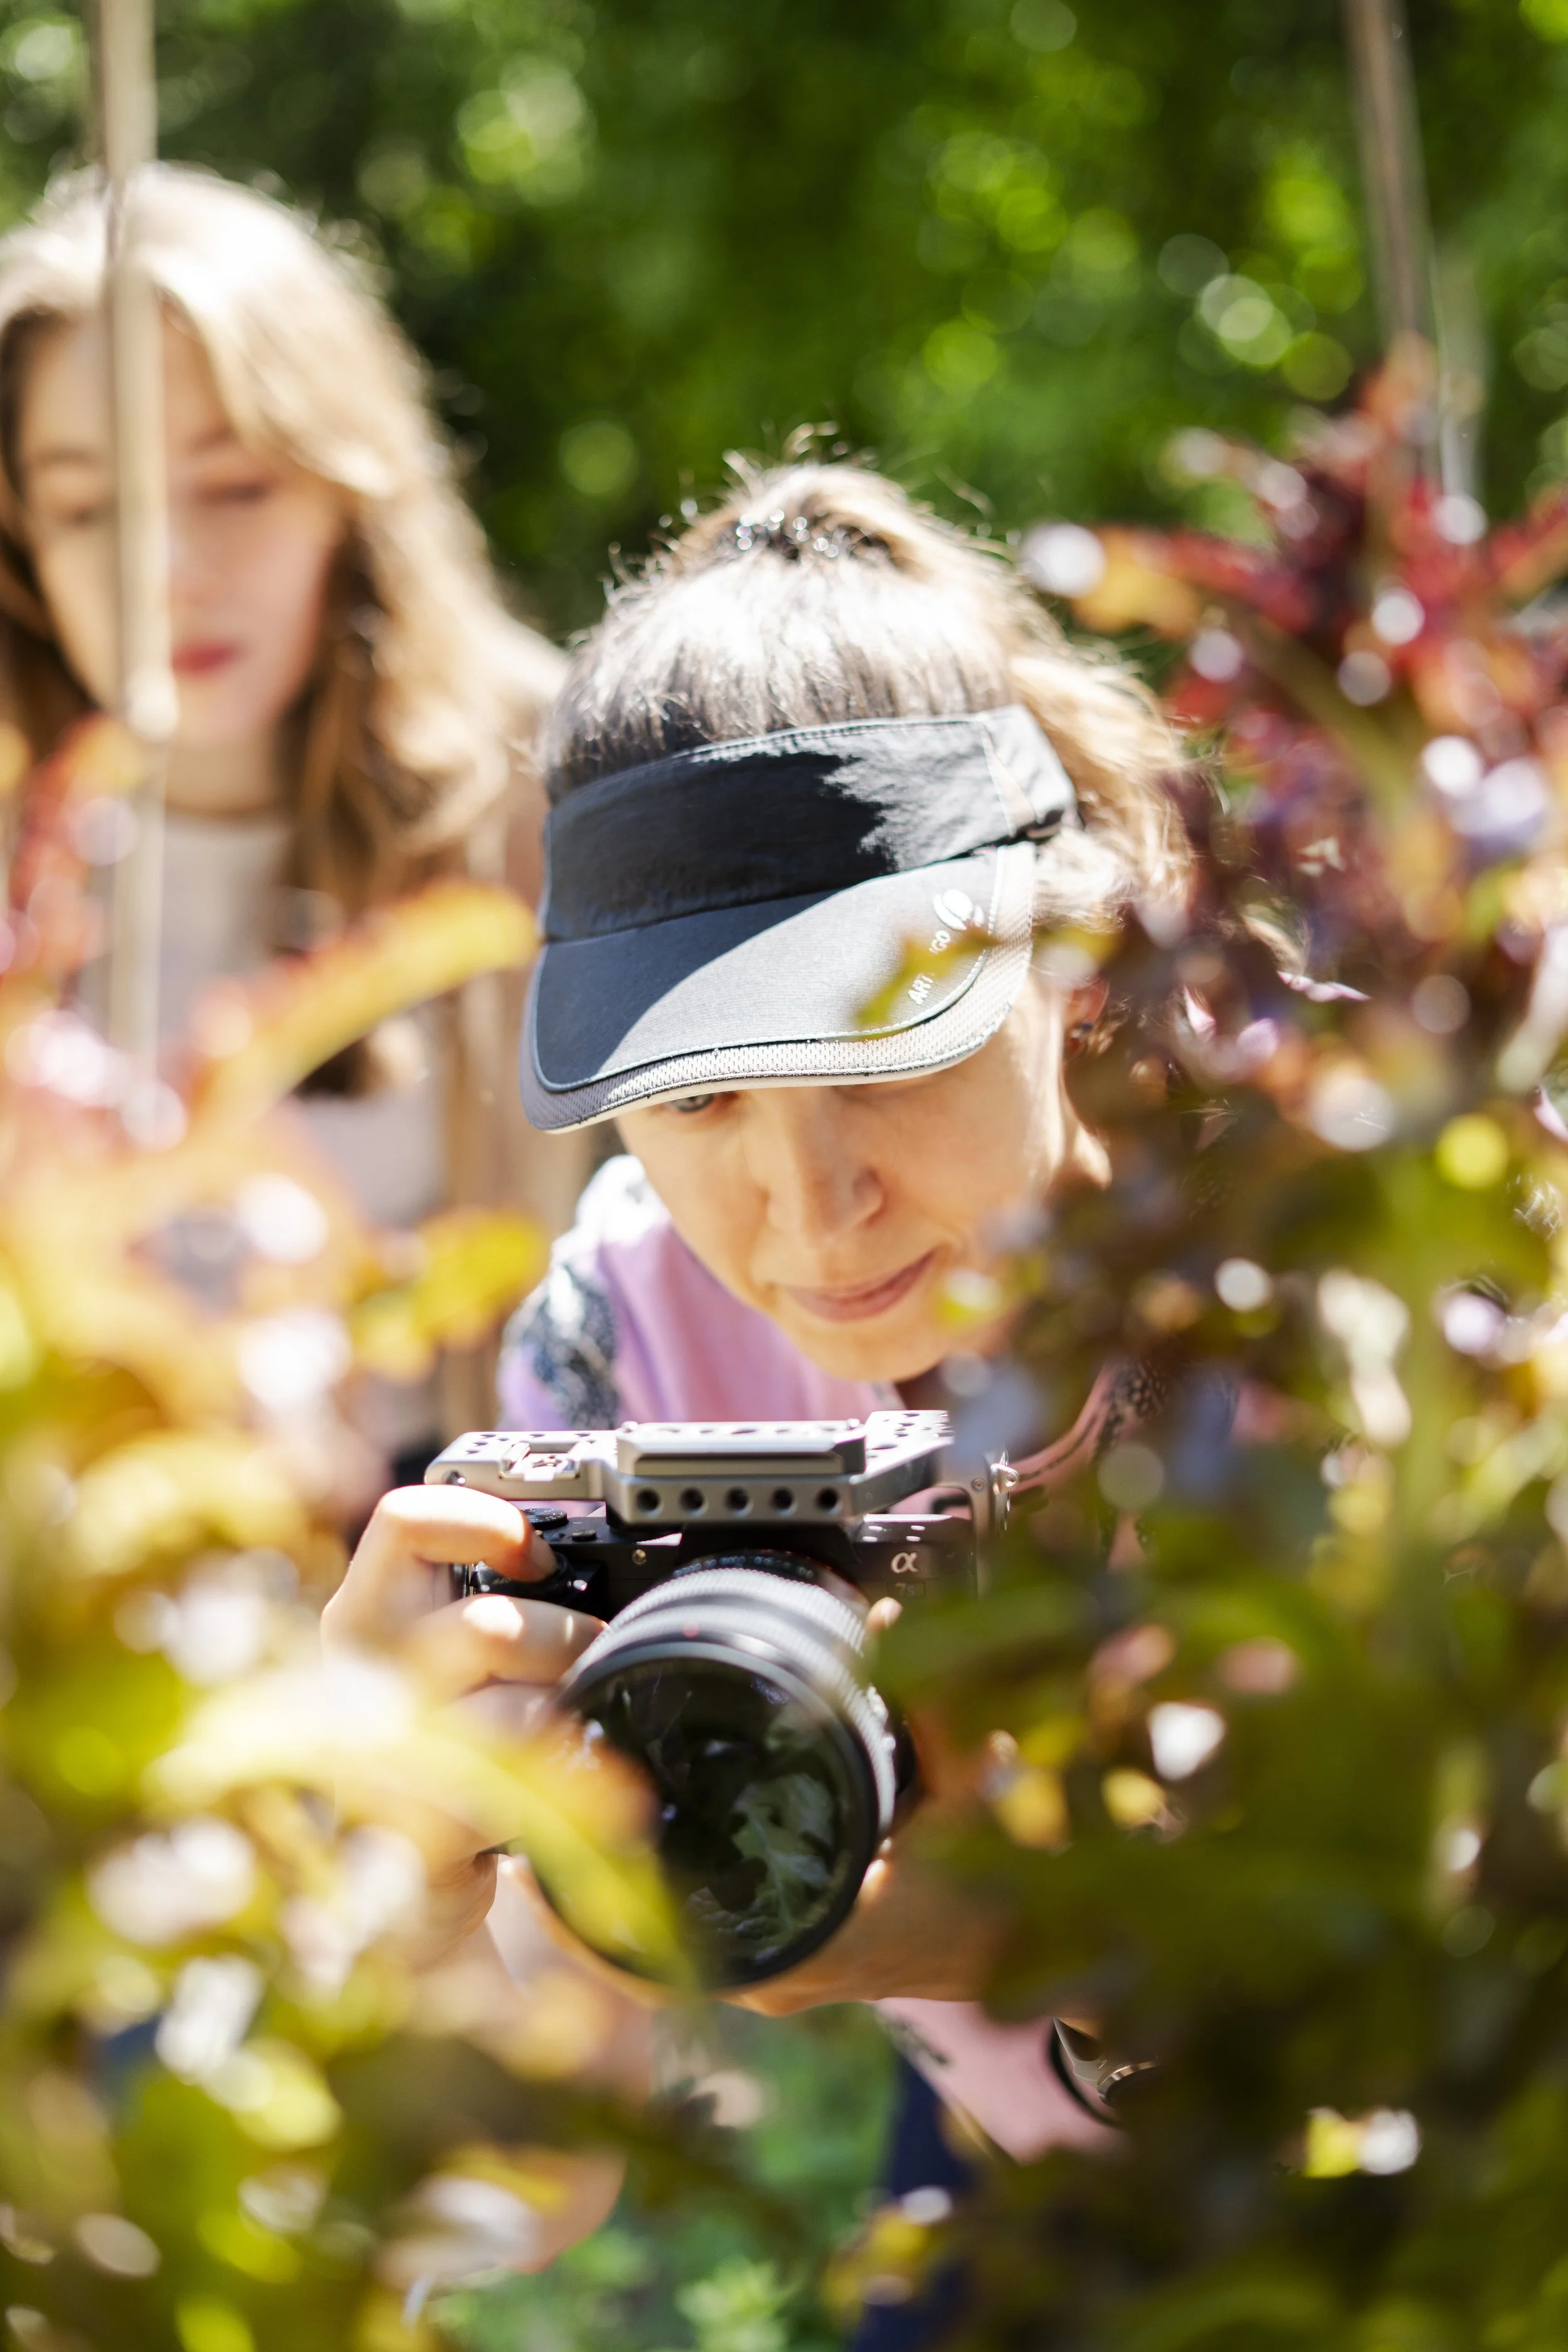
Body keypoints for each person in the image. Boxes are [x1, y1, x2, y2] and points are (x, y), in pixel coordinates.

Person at [325, 460, 1192, 2282]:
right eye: (699, 1094)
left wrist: (1003, 1932)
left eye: (884, 1052)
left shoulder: (1336, 1254)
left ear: (1080, 963)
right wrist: (398, 1868)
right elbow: (507, 2209)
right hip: (1031, 2189)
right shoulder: (618, 1329)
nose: (810, 1205)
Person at [0, 164, 583, 1480]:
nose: (170, 572)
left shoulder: (549, 790)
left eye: (238, 485)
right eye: (89, 509)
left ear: (347, 485)